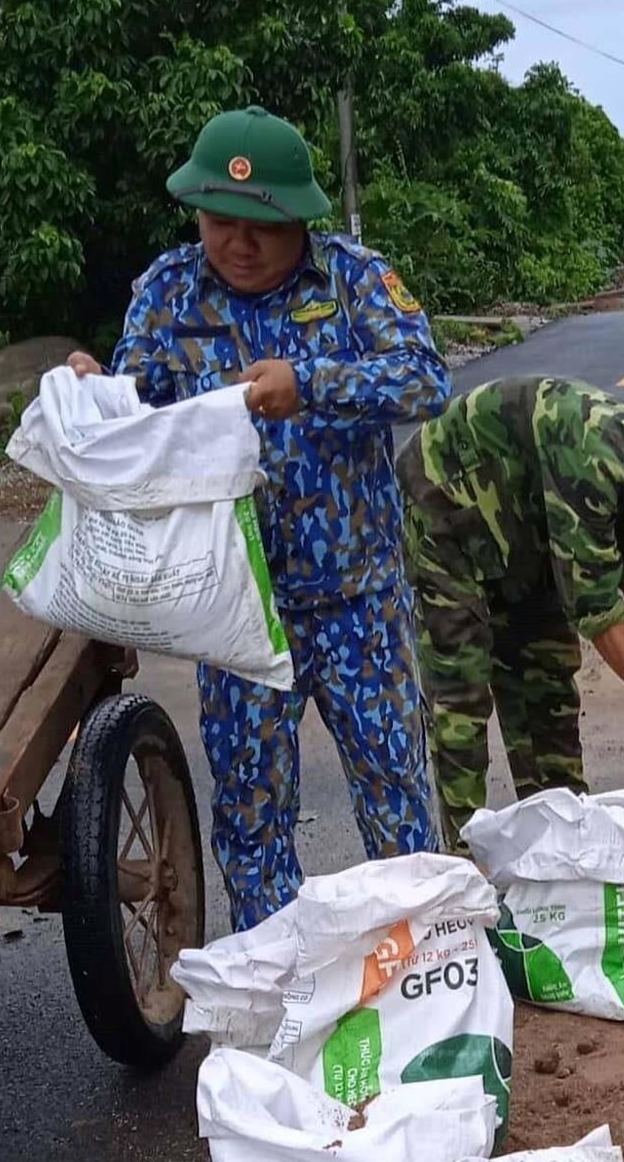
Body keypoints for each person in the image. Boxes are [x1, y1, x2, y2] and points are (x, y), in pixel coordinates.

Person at [69, 105, 451, 931]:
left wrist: (311, 382)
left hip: (359, 602)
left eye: (261, 228)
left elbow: (425, 379)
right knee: (250, 818)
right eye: (219, 222)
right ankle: (279, 1001)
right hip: (239, 608)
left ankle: (422, 980)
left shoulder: (352, 279)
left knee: (396, 795)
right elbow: (139, 413)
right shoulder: (169, 290)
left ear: (300, 218)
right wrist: (94, 387)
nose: (238, 244)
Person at [397, 376, 624, 846]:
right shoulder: (594, 456)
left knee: (546, 680)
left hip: (527, 533)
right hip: (445, 513)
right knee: (461, 691)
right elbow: (598, 610)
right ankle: (464, 859)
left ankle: (562, 841)